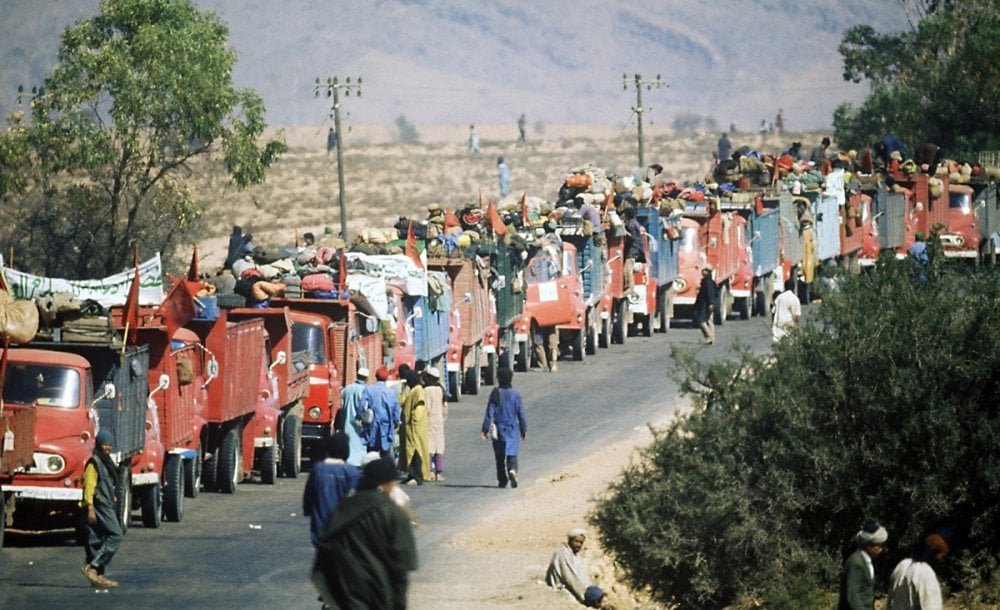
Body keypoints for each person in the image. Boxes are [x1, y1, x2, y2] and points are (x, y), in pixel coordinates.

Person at [311, 456, 418, 610]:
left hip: (346, 591)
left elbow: (326, 547)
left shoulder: (344, 508)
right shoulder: (394, 514)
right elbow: (402, 566)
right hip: (379, 593)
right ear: (386, 483)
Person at [81, 429, 124, 589]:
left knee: (97, 538)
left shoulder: (106, 461)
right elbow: (89, 486)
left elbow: (106, 483)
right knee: (116, 534)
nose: (107, 447)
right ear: (98, 444)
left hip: (106, 503)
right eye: (105, 444)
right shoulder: (95, 462)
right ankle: (92, 567)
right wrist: (90, 507)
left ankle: (98, 576)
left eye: (110, 445)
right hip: (99, 505)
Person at [302, 432, 360, 548]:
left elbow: (309, 496)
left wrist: (308, 510)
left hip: (320, 527)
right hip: (343, 529)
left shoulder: (318, 469)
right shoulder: (351, 472)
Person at [481, 367, 527, 489]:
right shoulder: (515, 394)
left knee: (499, 456)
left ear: (498, 378)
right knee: (512, 453)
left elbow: (489, 412)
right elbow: (521, 413)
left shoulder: (495, 392)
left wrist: (485, 430)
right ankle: (512, 470)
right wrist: (524, 429)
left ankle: (502, 480)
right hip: (512, 428)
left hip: (498, 428)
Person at [888, 529, 953, 610]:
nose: (942, 561)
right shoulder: (927, 574)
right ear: (934, 552)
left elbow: (890, 603)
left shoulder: (902, 565)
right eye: (942, 556)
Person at [546, 528, 605, 608]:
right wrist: (582, 596)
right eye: (576, 541)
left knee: (598, 592)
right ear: (570, 541)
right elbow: (570, 578)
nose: (579, 545)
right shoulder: (563, 554)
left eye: (581, 542)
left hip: (581, 587)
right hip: (567, 587)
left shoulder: (575, 556)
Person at [838, 520, 889, 610]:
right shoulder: (856, 563)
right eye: (878, 546)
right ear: (868, 545)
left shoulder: (866, 561)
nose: (881, 549)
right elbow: (853, 597)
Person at [365, 366, 401, 459]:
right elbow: (396, 410)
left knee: (371, 452)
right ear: (386, 378)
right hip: (387, 426)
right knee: (385, 452)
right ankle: (384, 471)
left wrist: (360, 418)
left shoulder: (369, 390)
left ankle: (371, 471)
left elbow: (362, 407)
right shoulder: (391, 392)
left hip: (372, 426)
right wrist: (397, 423)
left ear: (376, 376)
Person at [401, 370, 430, 485]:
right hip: (409, 428)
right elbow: (401, 401)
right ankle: (410, 475)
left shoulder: (418, 390)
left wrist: (414, 419)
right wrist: (404, 390)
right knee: (408, 451)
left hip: (415, 428)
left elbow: (420, 407)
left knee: (415, 451)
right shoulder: (412, 390)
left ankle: (417, 476)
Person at [339, 367, 370, 466]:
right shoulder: (365, 390)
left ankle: (348, 460)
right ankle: (359, 462)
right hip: (359, 422)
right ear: (366, 379)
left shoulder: (347, 388)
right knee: (359, 444)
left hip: (347, 420)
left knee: (349, 441)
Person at [423, 367, 448, 481]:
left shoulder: (427, 390)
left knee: (429, 446)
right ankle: (439, 472)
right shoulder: (441, 390)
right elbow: (445, 407)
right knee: (439, 446)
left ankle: (430, 471)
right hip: (439, 421)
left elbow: (427, 408)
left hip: (429, 421)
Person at [772, 278, 801, 342]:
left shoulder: (779, 297)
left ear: (785, 287)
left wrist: (773, 324)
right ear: (794, 287)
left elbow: (773, 312)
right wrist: (797, 329)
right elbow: (797, 317)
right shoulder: (795, 299)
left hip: (778, 326)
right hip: (789, 326)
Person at [694, 266, 717, 345]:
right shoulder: (709, 281)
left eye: (705, 270)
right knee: (709, 320)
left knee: (701, 321)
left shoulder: (707, 282)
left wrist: (711, 303)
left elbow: (710, 293)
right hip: (709, 303)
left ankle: (709, 336)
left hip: (706, 304)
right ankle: (712, 338)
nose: (702, 272)